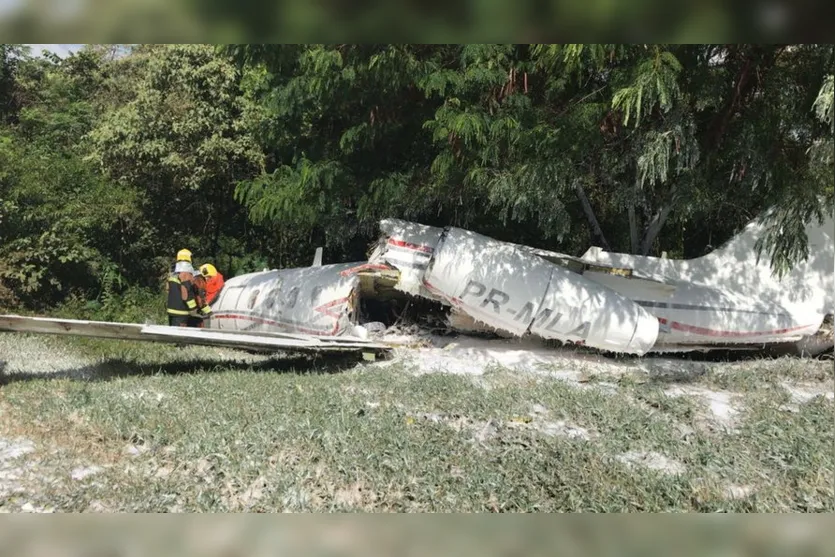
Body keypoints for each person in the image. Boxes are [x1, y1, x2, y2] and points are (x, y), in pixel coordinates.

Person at [166, 261, 199, 327]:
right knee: (180, 332)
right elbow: (187, 295)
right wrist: (193, 309)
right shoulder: (185, 276)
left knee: (173, 331)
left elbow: (167, 290)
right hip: (182, 313)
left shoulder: (171, 277)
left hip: (171, 311)